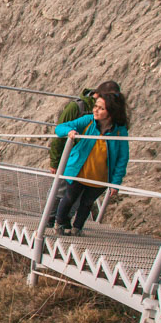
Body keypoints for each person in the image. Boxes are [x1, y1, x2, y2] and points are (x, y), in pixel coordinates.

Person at [51, 90, 129, 235]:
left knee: (87, 203)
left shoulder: (120, 131)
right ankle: (59, 223)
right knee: (69, 198)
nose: (96, 110)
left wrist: (115, 182)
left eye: (101, 108)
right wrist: (70, 131)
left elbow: (122, 158)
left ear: (111, 112)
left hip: (100, 176)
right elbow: (60, 127)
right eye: (96, 106)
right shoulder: (88, 120)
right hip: (79, 170)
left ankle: (77, 228)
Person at [48, 80, 123, 170]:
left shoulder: (112, 110)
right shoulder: (77, 108)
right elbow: (59, 134)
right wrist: (55, 164)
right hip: (74, 161)